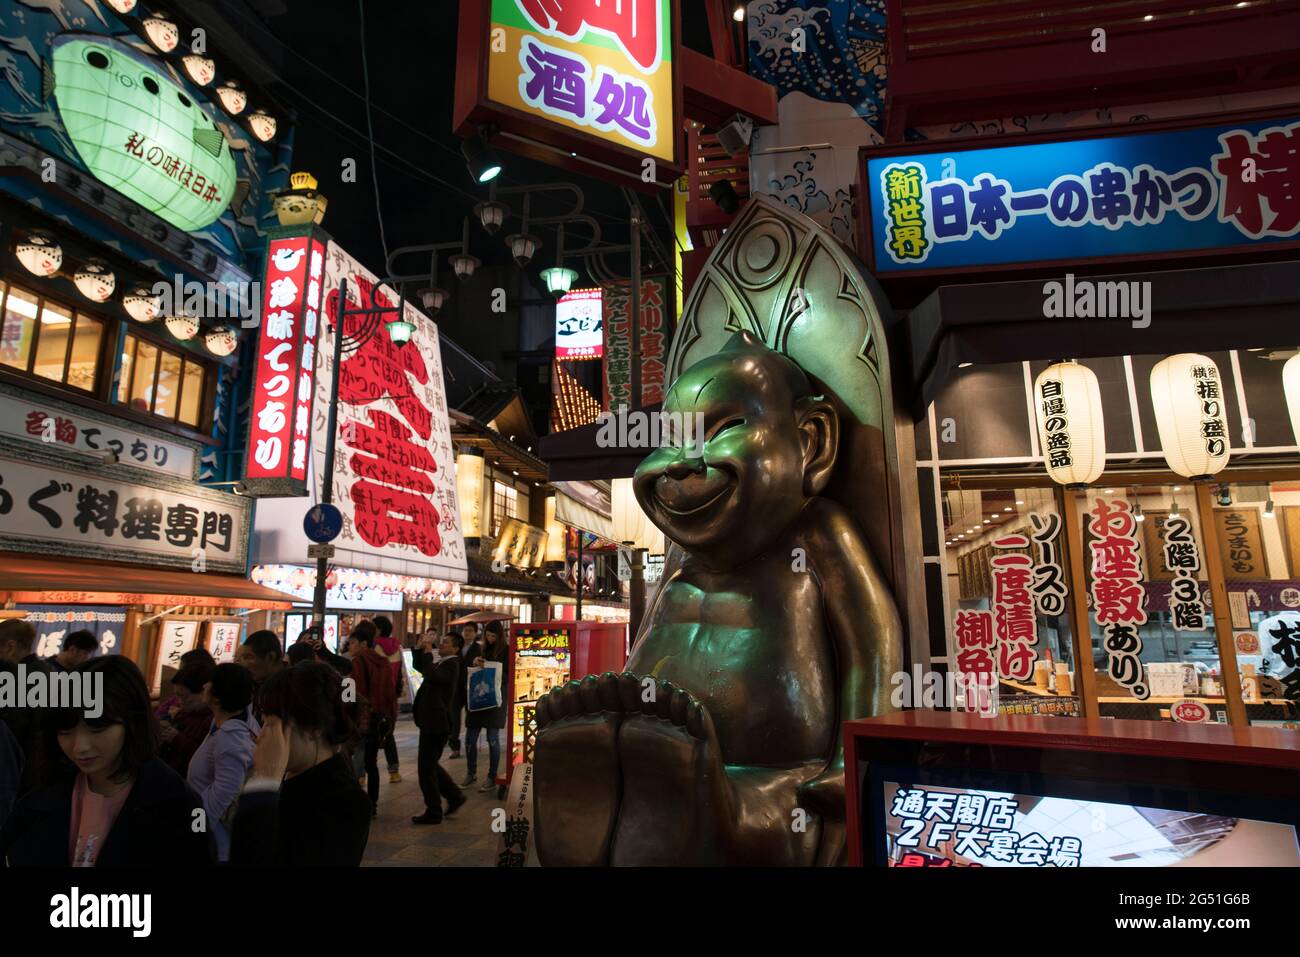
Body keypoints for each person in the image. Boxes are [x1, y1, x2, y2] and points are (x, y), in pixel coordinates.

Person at [0, 656, 211, 867]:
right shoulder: (41, 790)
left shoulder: (181, 805)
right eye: (65, 731)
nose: (79, 747)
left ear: (132, 723)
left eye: (97, 729)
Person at [227, 662, 370, 866]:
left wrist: (263, 782)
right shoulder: (291, 780)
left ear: (314, 729)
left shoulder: (345, 802)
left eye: (271, 725)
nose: (261, 737)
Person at [187, 663, 257, 864]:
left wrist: (195, 829)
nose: (204, 685)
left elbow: (226, 790)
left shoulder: (230, 738)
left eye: (210, 682)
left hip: (217, 844)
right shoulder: (231, 721)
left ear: (217, 697)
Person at [410, 633, 465, 824]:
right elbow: (422, 668)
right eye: (441, 641)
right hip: (432, 720)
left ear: (456, 648)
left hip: (437, 721)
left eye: (446, 642)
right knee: (430, 764)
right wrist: (418, 649)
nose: (441, 644)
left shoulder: (453, 664)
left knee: (426, 768)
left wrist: (427, 655)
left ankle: (434, 810)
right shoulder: (443, 662)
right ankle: (455, 796)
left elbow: (432, 675)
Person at [346, 620, 396, 817]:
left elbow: (353, 692)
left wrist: (344, 702)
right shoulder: (383, 662)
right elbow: (390, 690)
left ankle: (356, 802)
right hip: (379, 718)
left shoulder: (358, 662)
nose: (350, 647)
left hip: (361, 718)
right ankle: (373, 804)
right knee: (371, 763)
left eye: (352, 643)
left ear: (364, 644)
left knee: (354, 760)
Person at [0, 619, 52, 795]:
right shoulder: (48, 671)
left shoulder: (17, 678)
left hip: (20, 767)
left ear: (10, 646)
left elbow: (14, 729)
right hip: (42, 766)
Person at [462, 623, 508, 792]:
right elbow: (468, 669)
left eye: (493, 636)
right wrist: (475, 662)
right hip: (478, 698)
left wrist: (490, 668)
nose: (490, 639)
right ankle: (470, 772)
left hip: (496, 700)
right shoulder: (481, 649)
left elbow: (507, 676)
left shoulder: (506, 650)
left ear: (499, 636)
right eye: (487, 635)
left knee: (493, 738)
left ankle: (491, 776)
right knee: (470, 737)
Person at [157, 664, 214, 778]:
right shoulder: (183, 713)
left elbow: (208, 760)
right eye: (177, 696)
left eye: (185, 697)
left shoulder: (212, 720)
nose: (180, 701)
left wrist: (177, 738)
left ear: (203, 692)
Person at [372, 615, 403, 783]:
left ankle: (362, 774)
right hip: (391, 696)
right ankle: (394, 772)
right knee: (388, 734)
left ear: (378, 629)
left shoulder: (374, 647)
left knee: (369, 734)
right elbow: (399, 673)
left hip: (376, 695)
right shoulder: (397, 647)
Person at [236, 630, 283, 724]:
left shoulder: (290, 690)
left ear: (270, 657)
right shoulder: (252, 686)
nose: (244, 665)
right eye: (241, 659)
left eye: (249, 657)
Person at [452, 623, 483, 758]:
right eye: (465, 630)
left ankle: (471, 743)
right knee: (454, 718)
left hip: (471, 687)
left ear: (475, 633)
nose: (467, 633)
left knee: (471, 718)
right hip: (456, 687)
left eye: (470, 631)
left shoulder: (479, 648)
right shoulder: (456, 647)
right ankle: (454, 747)